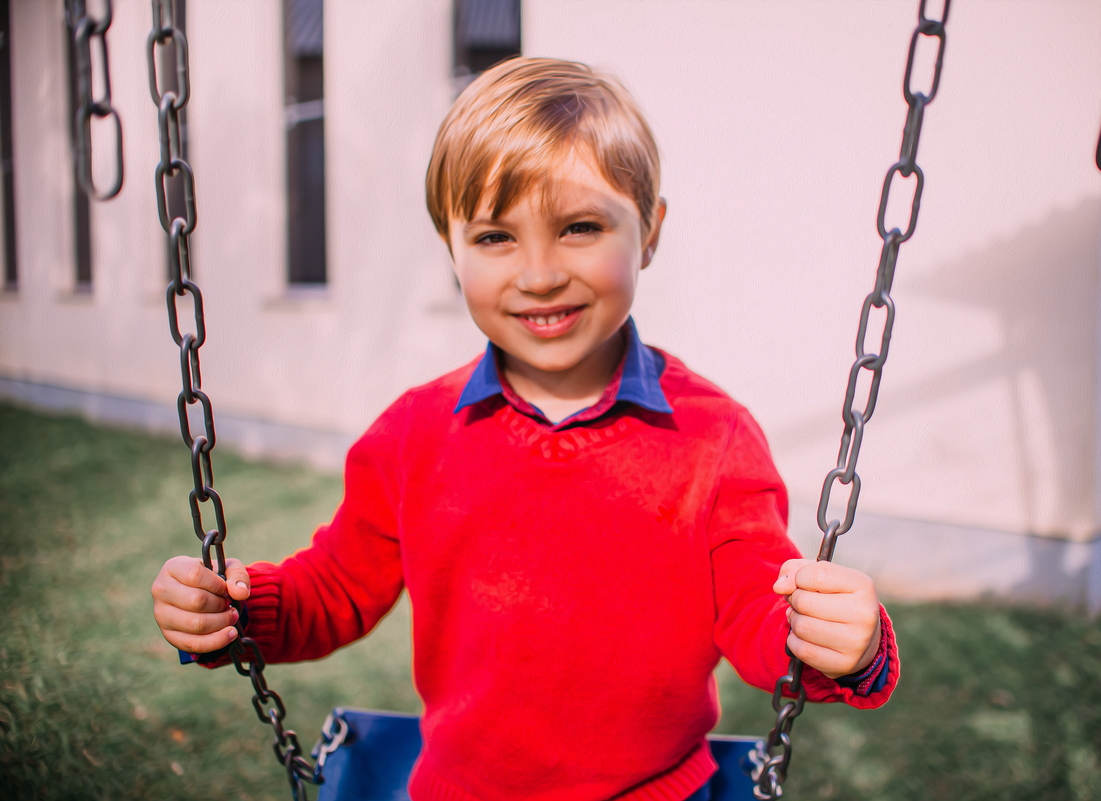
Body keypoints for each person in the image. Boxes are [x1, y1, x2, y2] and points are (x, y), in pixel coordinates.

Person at [150, 57, 898, 801]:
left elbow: (753, 610)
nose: (538, 274)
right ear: (452, 247)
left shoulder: (715, 440)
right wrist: (238, 608)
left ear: (650, 230)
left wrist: (834, 642)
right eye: (495, 238)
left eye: (579, 227)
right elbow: (337, 587)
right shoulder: (415, 434)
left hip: (655, 790)